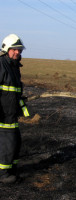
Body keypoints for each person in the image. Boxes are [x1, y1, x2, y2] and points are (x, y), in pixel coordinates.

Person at [0, 34, 30, 183]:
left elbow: (14, 91)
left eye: (19, 50)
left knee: (16, 142)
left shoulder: (14, 67)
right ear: (6, 49)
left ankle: (12, 170)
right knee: (7, 144)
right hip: (3, 115)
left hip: (12, 114)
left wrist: (21, 102)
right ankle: (3, 175)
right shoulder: (1, 64)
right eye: (14, 49)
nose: (17, 52)